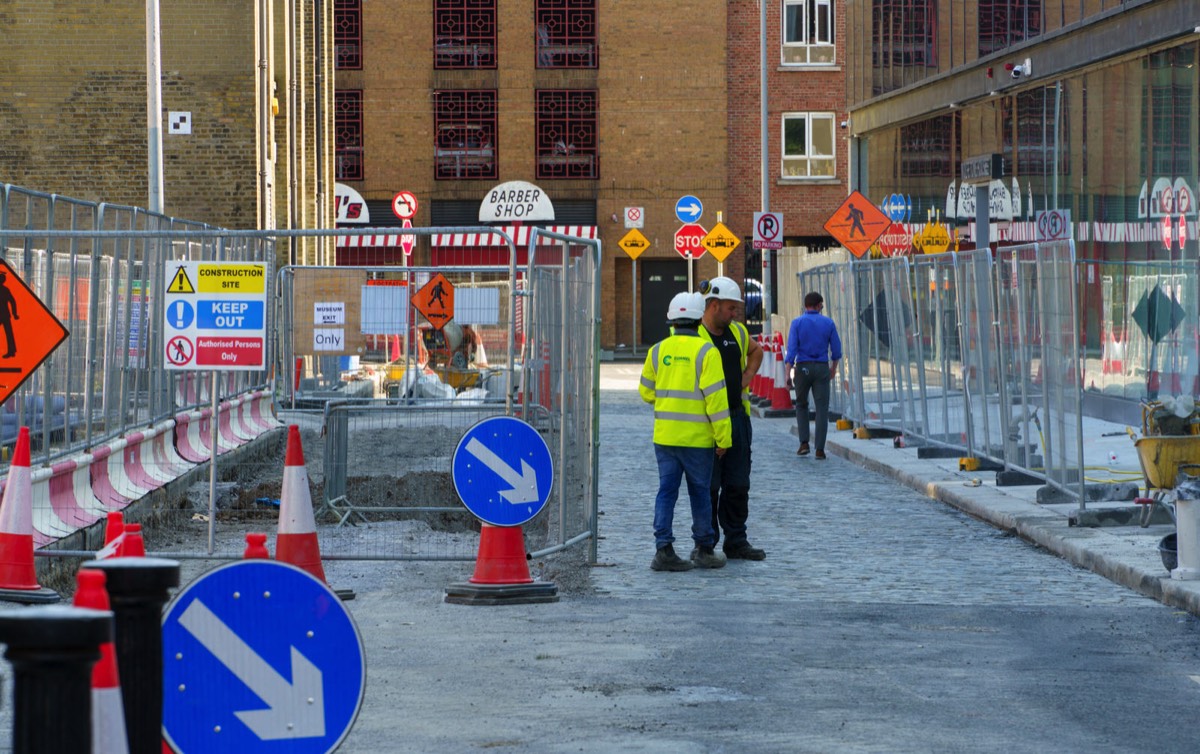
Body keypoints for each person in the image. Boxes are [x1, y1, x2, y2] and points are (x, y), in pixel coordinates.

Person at [639, 292, 732, 572]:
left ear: (672, 320)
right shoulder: (706, 352)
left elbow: (645, 391)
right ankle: (704, 549)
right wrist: (724, 438)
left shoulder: (657, 350)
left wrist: (668, 399)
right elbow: (716, 400)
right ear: (697, 319)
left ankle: (663, 550)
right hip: (697, 440)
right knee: (700, 492)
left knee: (666, 492)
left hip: (665, 437)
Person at [697, 276, 766, 561]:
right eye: (730, 308)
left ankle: (736, 540)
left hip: (737, 420)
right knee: (709, 486)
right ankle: (705, 543)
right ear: (713, 306)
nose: (736, 313)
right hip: (707, 423)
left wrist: (746, 377)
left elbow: (756, 351)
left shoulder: (736, 332)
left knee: (738, 484)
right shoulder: (695, 336)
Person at [785, 291, 842, 460]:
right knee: (821, 409)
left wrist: (788, 373)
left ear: (805, 305)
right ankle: (819, 449)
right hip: (821, 368)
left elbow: (792, 350)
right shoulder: (828, 323)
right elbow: (836, 350)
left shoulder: (797, 323)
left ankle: (804, 443)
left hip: (803, 368)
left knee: (801, 405)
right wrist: (833, 368)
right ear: (818, 306)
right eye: (821, 306)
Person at [0, 272, 17, 358]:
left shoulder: (5, 290)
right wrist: (14, 314)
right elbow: (12, 301)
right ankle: (12, 351)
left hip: (4, 315)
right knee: (9, 333)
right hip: (6, 314)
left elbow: (12, 301)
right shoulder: (6, 290)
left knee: (9, 333)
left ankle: (12, 351)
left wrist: (15, 313)